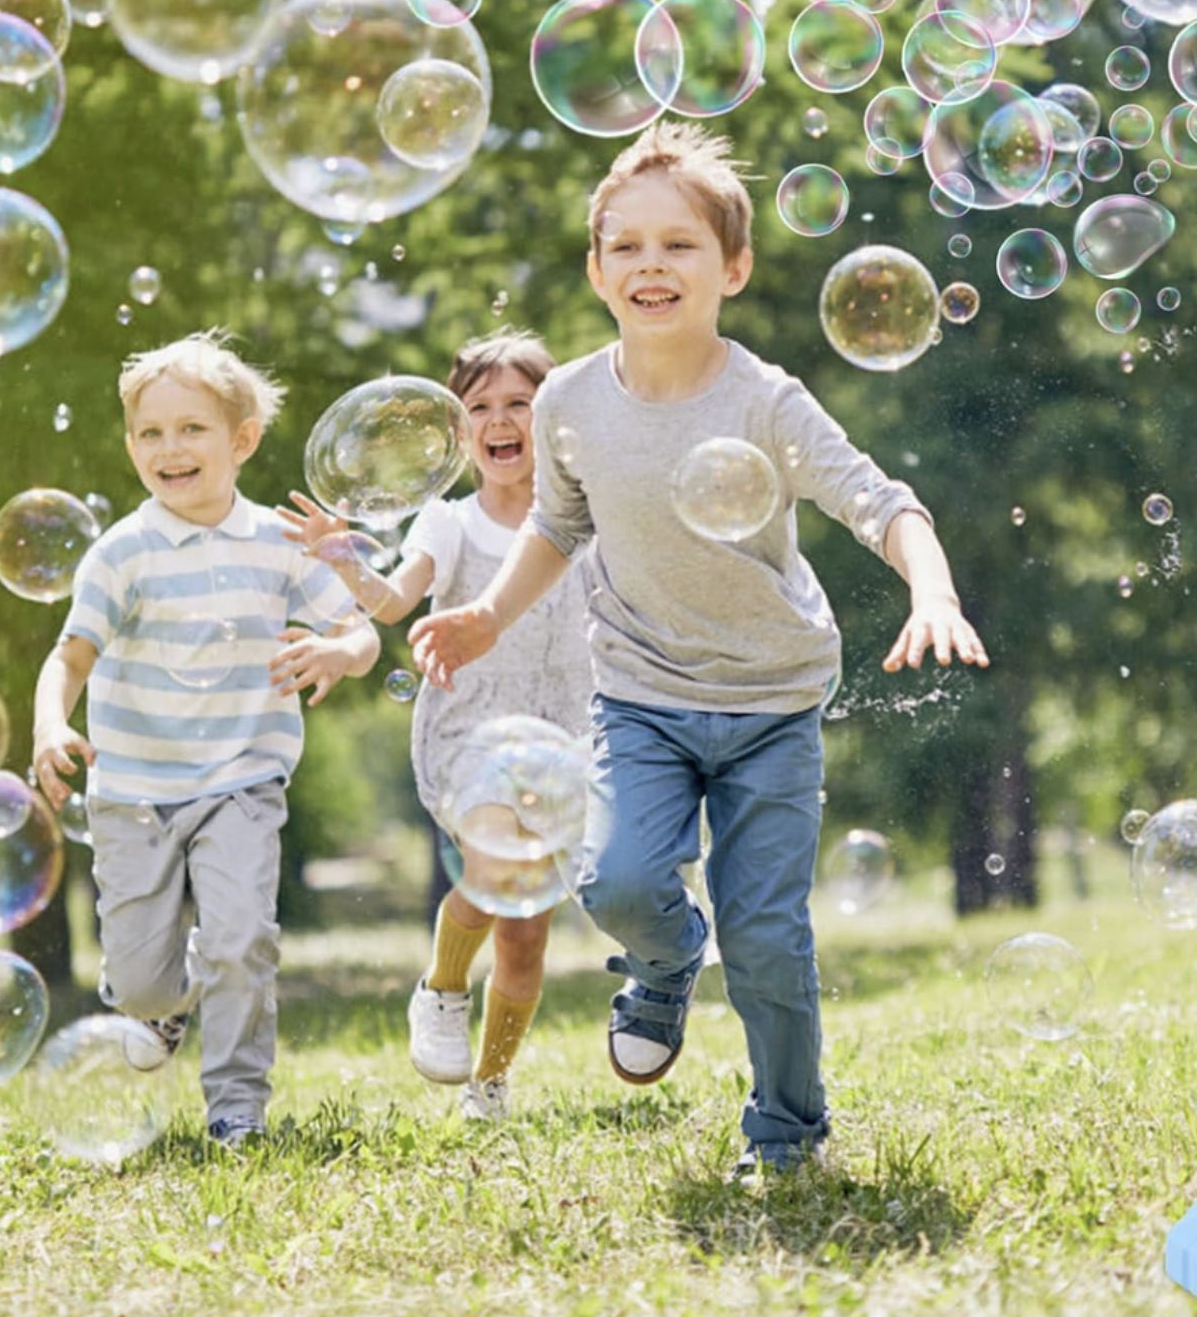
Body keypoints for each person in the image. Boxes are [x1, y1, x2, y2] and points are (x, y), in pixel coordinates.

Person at [408, 121, 989, 1179]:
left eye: (677, 245)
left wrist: (931, 586)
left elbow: (878, 501)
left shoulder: (765, 400)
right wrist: (487, 615)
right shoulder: (571, 402)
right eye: (624, 246)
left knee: (766, 934)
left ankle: (784, 1131)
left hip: (770, 700)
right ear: (594, 270)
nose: (649, 265)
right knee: (618, 880)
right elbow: (554, 527)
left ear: (733, 267)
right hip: (638, 694)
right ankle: (667, 963)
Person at [32, 330, 379, 1148]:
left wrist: (339, 650)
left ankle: (236, 1108)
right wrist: (53, 721)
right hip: (133, 792)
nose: (170, 448)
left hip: (241, 780)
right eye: (150, 433)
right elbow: (69, 653)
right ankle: (162, 1006)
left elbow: (359, 630)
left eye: (192, 429)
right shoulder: (122, 552)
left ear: (242, 440)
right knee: (146, 984)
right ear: (130, 445)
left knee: (242, 938)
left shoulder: (279, 544)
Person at [280, 329, 592, 1123]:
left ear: (550, 417)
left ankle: (490, 1085)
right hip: (471, 733)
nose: (499, 420)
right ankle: (442, 986)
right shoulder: (448, 525)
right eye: (480, 407)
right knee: (493, 868)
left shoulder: (588, 515)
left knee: (524, 940)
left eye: (518, 403)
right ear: (459, 435)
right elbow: (391, 601)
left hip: (568, 741)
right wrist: (344, 558)